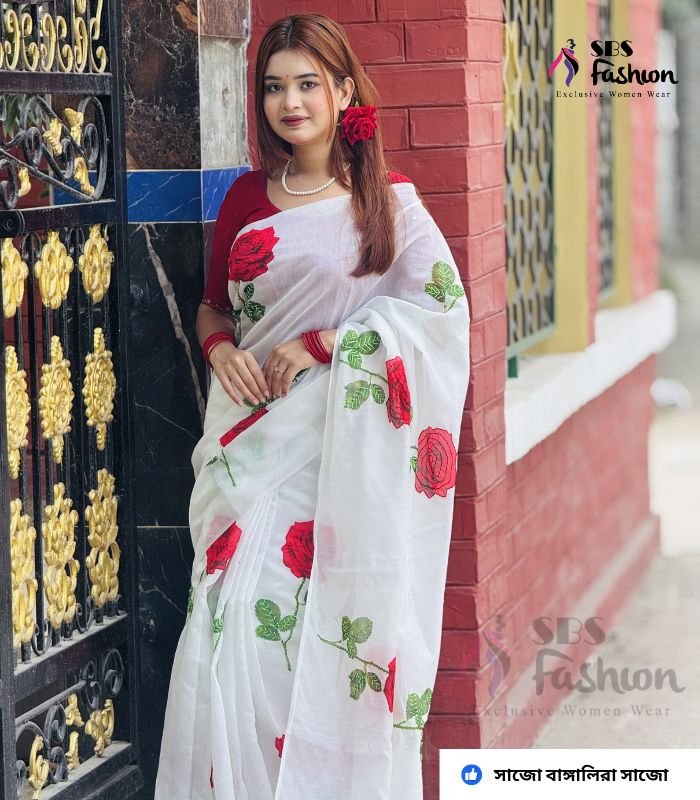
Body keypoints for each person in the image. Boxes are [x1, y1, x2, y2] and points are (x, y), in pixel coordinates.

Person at [155, 12, 470, 800]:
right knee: (239, 630)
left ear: (343, 91)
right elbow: (212, 305)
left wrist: (328, 343)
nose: (289, 103)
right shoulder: (245, 198)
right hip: (249, 446)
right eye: (273, 87)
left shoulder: (387, 202)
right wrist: (219, 349)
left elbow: (439, 313)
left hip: (339, 457)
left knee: (325, 639)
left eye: (306, 84)